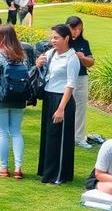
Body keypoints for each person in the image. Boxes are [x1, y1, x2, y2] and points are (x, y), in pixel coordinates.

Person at [36, 23, 81, 184]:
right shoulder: (51, 53)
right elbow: (41, 68)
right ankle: (46, 171)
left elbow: (71, 84)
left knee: (59, 138)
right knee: (48, 136)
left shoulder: (72, 58)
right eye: (52, 37)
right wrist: (38, 63)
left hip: (63, 100)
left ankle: (59, 175)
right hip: (49, 97)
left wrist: (61, 108)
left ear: (66, 38)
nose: (53, 40)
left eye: (56, 38)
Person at [0, 24, 29, 178]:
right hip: (20, 97)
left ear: (0, 37)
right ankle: (18, 168)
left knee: (1, 132)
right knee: (16, 131)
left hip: (0, 97)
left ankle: (3, 167)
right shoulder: (22, 53)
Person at [67, 15, 96, 149]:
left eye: (79, 29)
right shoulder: (64, 41)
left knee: (80, 107)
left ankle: (78, 137)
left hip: (80, 77)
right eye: (74, 29)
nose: (77, 32)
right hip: (65, 78)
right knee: (65, 106)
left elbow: (91, 62)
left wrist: (83, 58)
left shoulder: (84, 43)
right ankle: (65, 135)